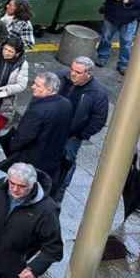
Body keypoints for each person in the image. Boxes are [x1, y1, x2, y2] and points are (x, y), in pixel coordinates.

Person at [0, 163, 63, 278]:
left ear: (33, 184)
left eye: (22, 186)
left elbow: (54, 248)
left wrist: (34, 269)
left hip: (18, 270)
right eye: (12, 183)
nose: (15, 189)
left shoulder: (47, 210)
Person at [53, 56, 109, 202]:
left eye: (78, 72)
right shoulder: (61, 77)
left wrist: (80, 134)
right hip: (52, 127)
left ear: (88, 74)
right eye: (72, 69)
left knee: (66, 163)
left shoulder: (98, 93)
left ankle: (58, 194)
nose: (72, 74)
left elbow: (99, 120)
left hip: (72, 136)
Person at [4, 73, 73, 184]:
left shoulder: (38, 110)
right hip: (52, 159)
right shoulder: (66, 104)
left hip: (32, 159)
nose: (32, 87)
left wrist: (12, 147)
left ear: (49, 89)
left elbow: (24, 136)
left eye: (37, 85)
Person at [0, 36, 30, 165]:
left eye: (10, 51)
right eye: (5, 49)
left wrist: (2, 90)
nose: (6, 53)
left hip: (5, 101)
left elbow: (21, 85)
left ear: (17, 53)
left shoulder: (22, 64)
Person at [97, 0, 138, 75]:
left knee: (126, 42)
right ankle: (102, 57)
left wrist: (130, 0)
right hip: (111, 15)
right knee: (106, 38)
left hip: (129, 18)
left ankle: (123, 65)